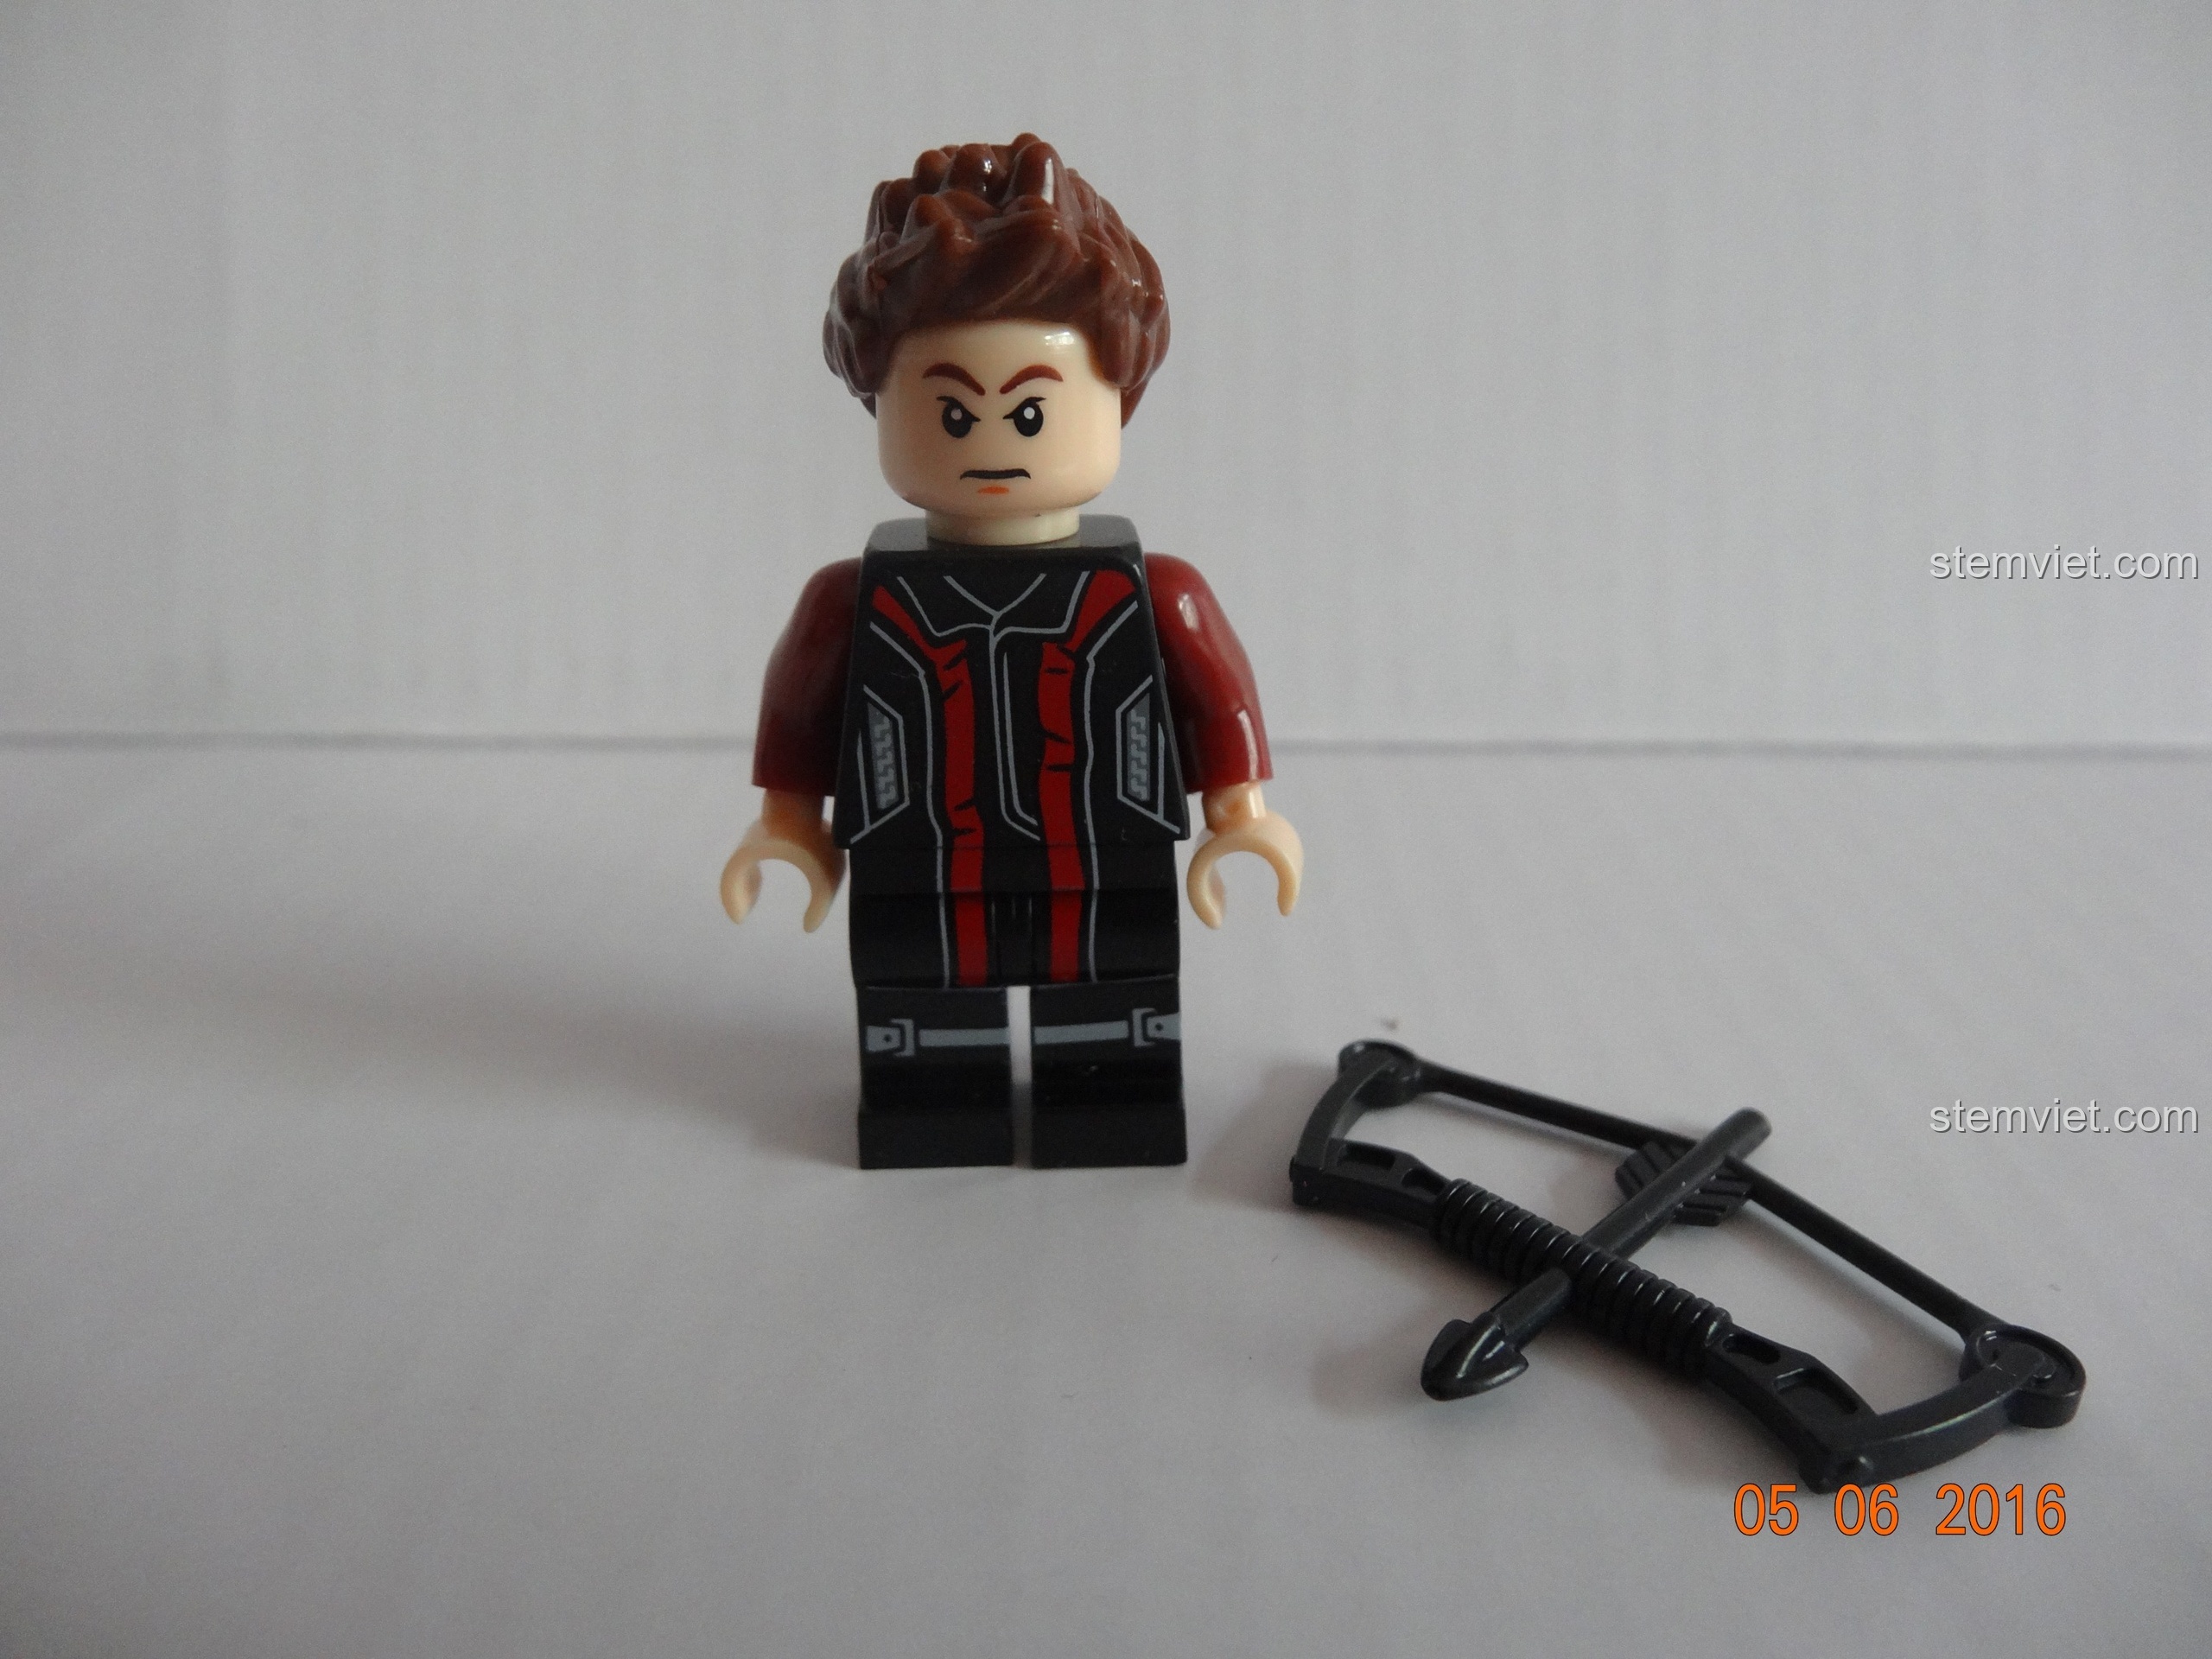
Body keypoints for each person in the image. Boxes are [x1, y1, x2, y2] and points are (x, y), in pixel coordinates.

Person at [721, 135, 1300, 1169]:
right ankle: (934, 1106)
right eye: (950, 410)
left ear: (1115, 399)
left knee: (1113, 1012)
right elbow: (802, 711)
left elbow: (1215, 699)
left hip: (1107, 852)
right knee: (923, 1013)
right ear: (882, 405)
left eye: (1031, 409)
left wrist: (1241, 813)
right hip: (917, 859)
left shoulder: (1153, 589)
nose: (992, 439)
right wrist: (790, 825)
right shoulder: (853, 599)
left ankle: (1109, 1103)